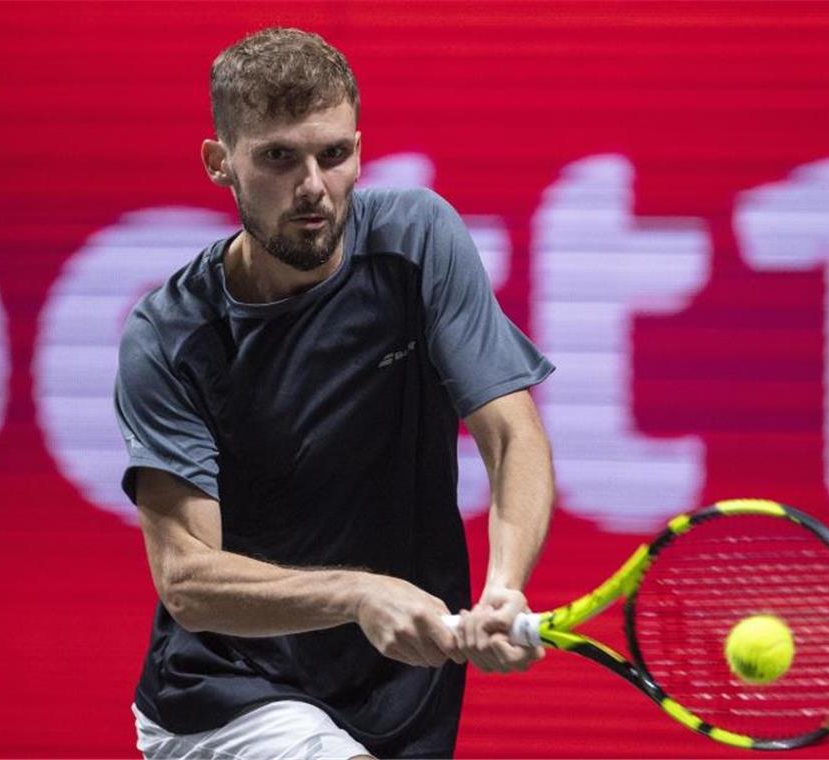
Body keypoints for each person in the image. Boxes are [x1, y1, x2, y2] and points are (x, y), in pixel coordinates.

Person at [114, 26, 556, 759]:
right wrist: (357, 594)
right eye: (279, 157)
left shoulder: (417, 241)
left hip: (398, 698)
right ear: (220, 163)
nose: (313, 186)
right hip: (228, 695)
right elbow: (188, 578)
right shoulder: (169, 337)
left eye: (334, 154)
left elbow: (512, 437)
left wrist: (502, 588)